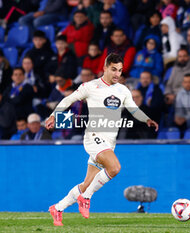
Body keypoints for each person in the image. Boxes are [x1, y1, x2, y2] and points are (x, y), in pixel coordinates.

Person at [45, 53, 158, 226]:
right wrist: (54, 115)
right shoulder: (91, 86)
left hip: (109, 143)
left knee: (86, 184)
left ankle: (57, 208)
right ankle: (86, 198)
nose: (117, 74)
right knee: (114, 167)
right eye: (113, 69)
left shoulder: (123, 90)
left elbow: (134, 110)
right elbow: (68, 99)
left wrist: (147, 119)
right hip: (94, 138)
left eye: (120, 70)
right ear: (105, 68)